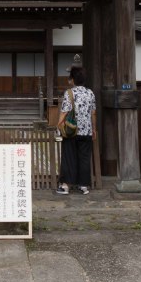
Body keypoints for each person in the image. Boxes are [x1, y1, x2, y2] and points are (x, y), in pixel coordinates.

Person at [56, 65, 96, 195]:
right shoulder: (90, 93)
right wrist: (94, 129)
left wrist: (59, 125)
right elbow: (93, 113)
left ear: (72, 79)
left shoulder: (69, 93)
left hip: (72, 131)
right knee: (84, 158)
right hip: (87, 131)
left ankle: (65, 186)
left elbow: (64, 112)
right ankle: (83, 186)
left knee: (69, 157)